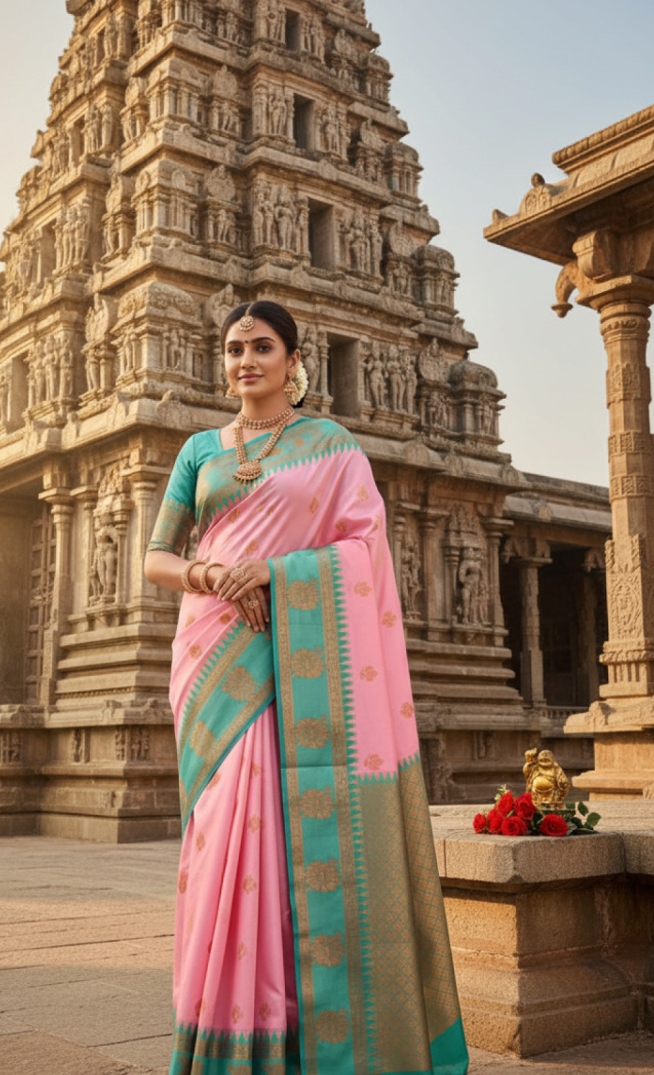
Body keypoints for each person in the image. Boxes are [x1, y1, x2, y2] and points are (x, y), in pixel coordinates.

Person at [144, 300, 468, 1075]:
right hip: (215, 658)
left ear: (295, 359)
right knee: (226, 836)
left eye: (261, 347)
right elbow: (157, 557)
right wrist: (218, 572)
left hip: (298, 652)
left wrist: (282, 572)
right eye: (232, 349)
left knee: (289, 844)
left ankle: (300, 1035)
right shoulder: (199, 451)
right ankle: (227, 1037)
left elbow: (363, 548)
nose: (244, 360)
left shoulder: (333, 448)